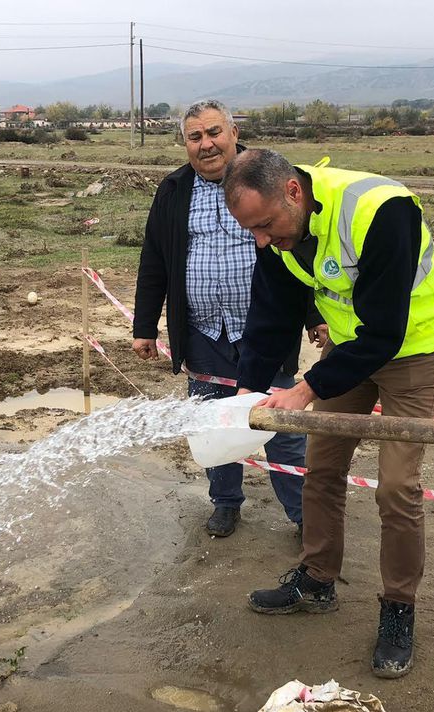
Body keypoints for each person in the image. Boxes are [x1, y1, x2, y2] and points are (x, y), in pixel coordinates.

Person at [224, 149, 434, 678]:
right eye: (250, 231)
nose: (262, 240)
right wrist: (245, 396)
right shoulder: (276, 232)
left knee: (397, 486)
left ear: (293, 192)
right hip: (350, 349)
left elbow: (386, 332)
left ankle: (399, 607)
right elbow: (272, 317)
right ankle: (317, 579)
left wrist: (304, 391)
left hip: (413, 348)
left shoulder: (382, 210)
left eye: (264, 226)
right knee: (321, 467)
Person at [133, 100, 320, 538]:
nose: (207, 144)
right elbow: (154, 258)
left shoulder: (269, 179)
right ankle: (225, 504)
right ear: (185, 144)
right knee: (211, 422)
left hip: (264, 331)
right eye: (195, 137)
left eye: (214, 132)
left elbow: (303, 245)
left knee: (282, 424)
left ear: (234, 132)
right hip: (202, 331)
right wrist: (145, 325)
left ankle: (303, 515)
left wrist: (316, 315)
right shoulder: (174, 190)